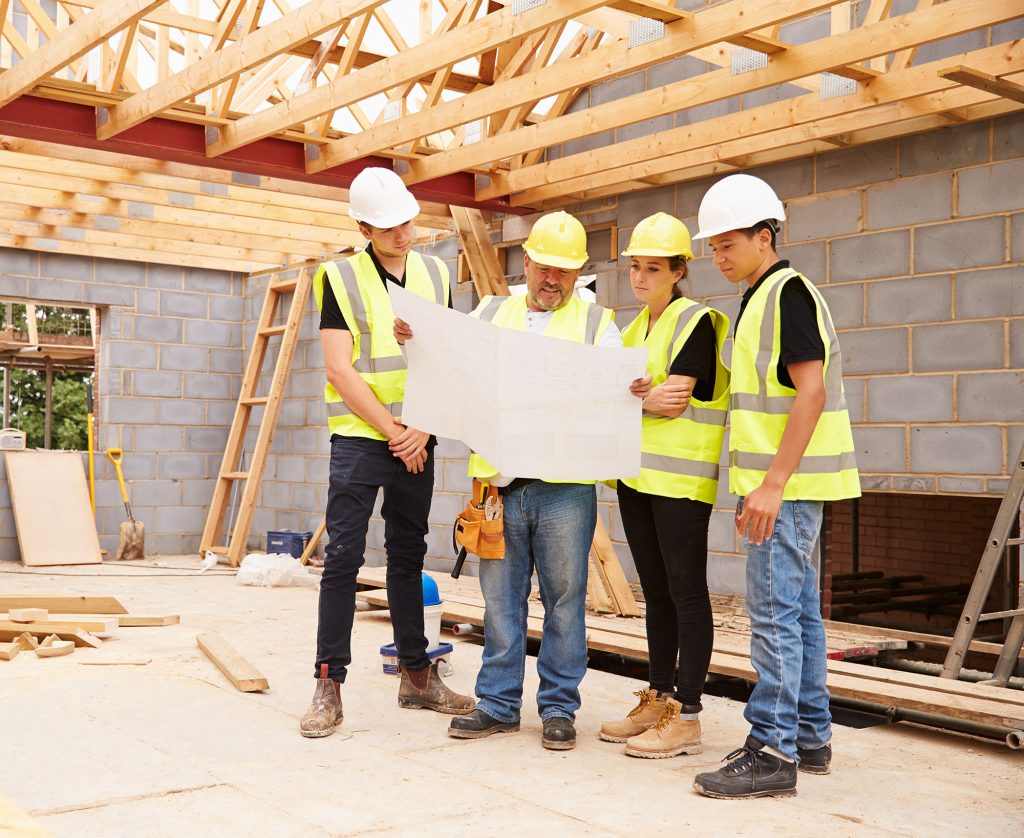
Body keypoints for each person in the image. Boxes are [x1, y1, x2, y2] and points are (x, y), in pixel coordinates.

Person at [398, 211, 647, 750]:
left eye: (563, 270)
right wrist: (413, 341)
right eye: (543, 267)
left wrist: (633, 385)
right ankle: (497, 703)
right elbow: (447, 368)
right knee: (501, 601)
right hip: (498, 485)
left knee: (564, 600)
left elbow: (613, 385)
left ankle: (558, 709)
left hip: (565, 487)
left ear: (577, 270)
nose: (551, 279)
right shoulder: (489, 312)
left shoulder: (595, 325)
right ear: (526, 262)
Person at [689, 174, 860, 798]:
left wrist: (772, 484)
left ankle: (771, 750)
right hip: (780, 487)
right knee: (797, 615)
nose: (718, 256)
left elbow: (809, 391)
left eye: (727, 243)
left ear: (765, 237)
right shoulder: (761, 296)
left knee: (774, 618)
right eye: (713, 247)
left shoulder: (787, 294)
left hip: (783, 489)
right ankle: (810, 737)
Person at [299, 167, 474, 739]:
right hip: (361, 436)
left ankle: (416, 677)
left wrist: (419, 429)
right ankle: (329, 684)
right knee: (344, 558)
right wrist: (394, 429)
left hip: (416, 435)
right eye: (389, 226)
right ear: (363, 227)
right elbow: (337, 366)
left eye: (407, 220)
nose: (403, 232)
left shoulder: (434, 271)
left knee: (407, 554)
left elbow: (446, 355)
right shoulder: (339, 278)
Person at [598, 212, 730, 759]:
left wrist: (632, 398)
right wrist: (634, 397)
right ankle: (658, 697)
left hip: (680, 482)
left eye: (654, 268)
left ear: (679, 271)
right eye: (636, 267)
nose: (641, 277)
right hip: (637, 477)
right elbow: (615, 398)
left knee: (687, 592)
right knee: (655, 592)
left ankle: (689, 716)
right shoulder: (633, 330)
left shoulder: (696, 321)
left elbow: (674, 400)